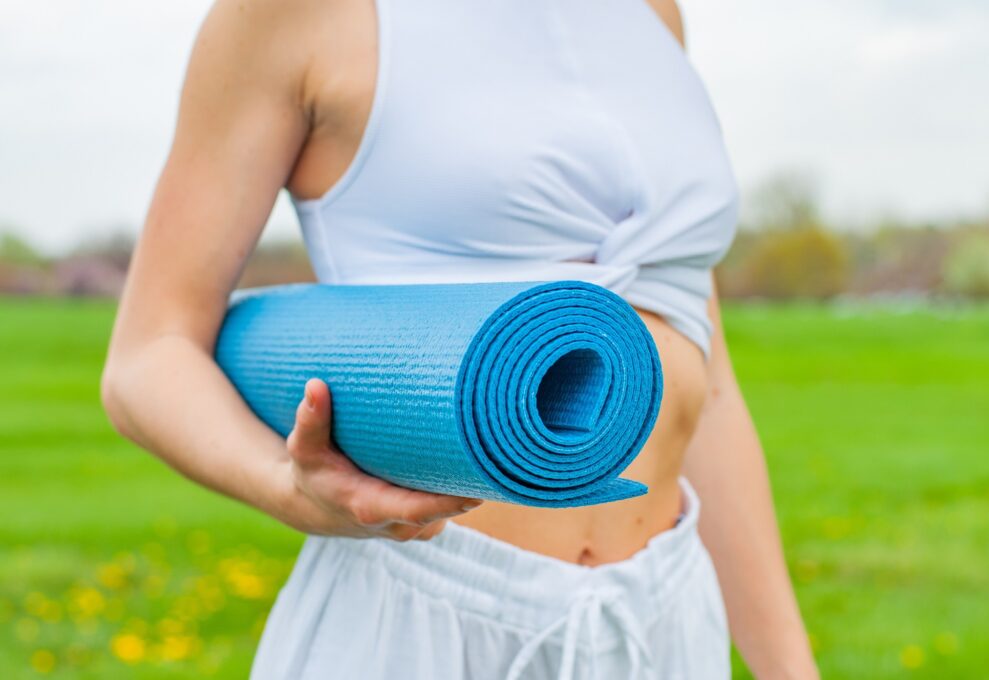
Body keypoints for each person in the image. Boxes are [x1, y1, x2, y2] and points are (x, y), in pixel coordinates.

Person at [101, 0, 818, 677]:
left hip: (666, 616)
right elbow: (149, 352)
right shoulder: (303, 14)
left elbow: (706, 388)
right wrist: (287, 487)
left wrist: (789, 667)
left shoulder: (653, 14)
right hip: (422, 607)